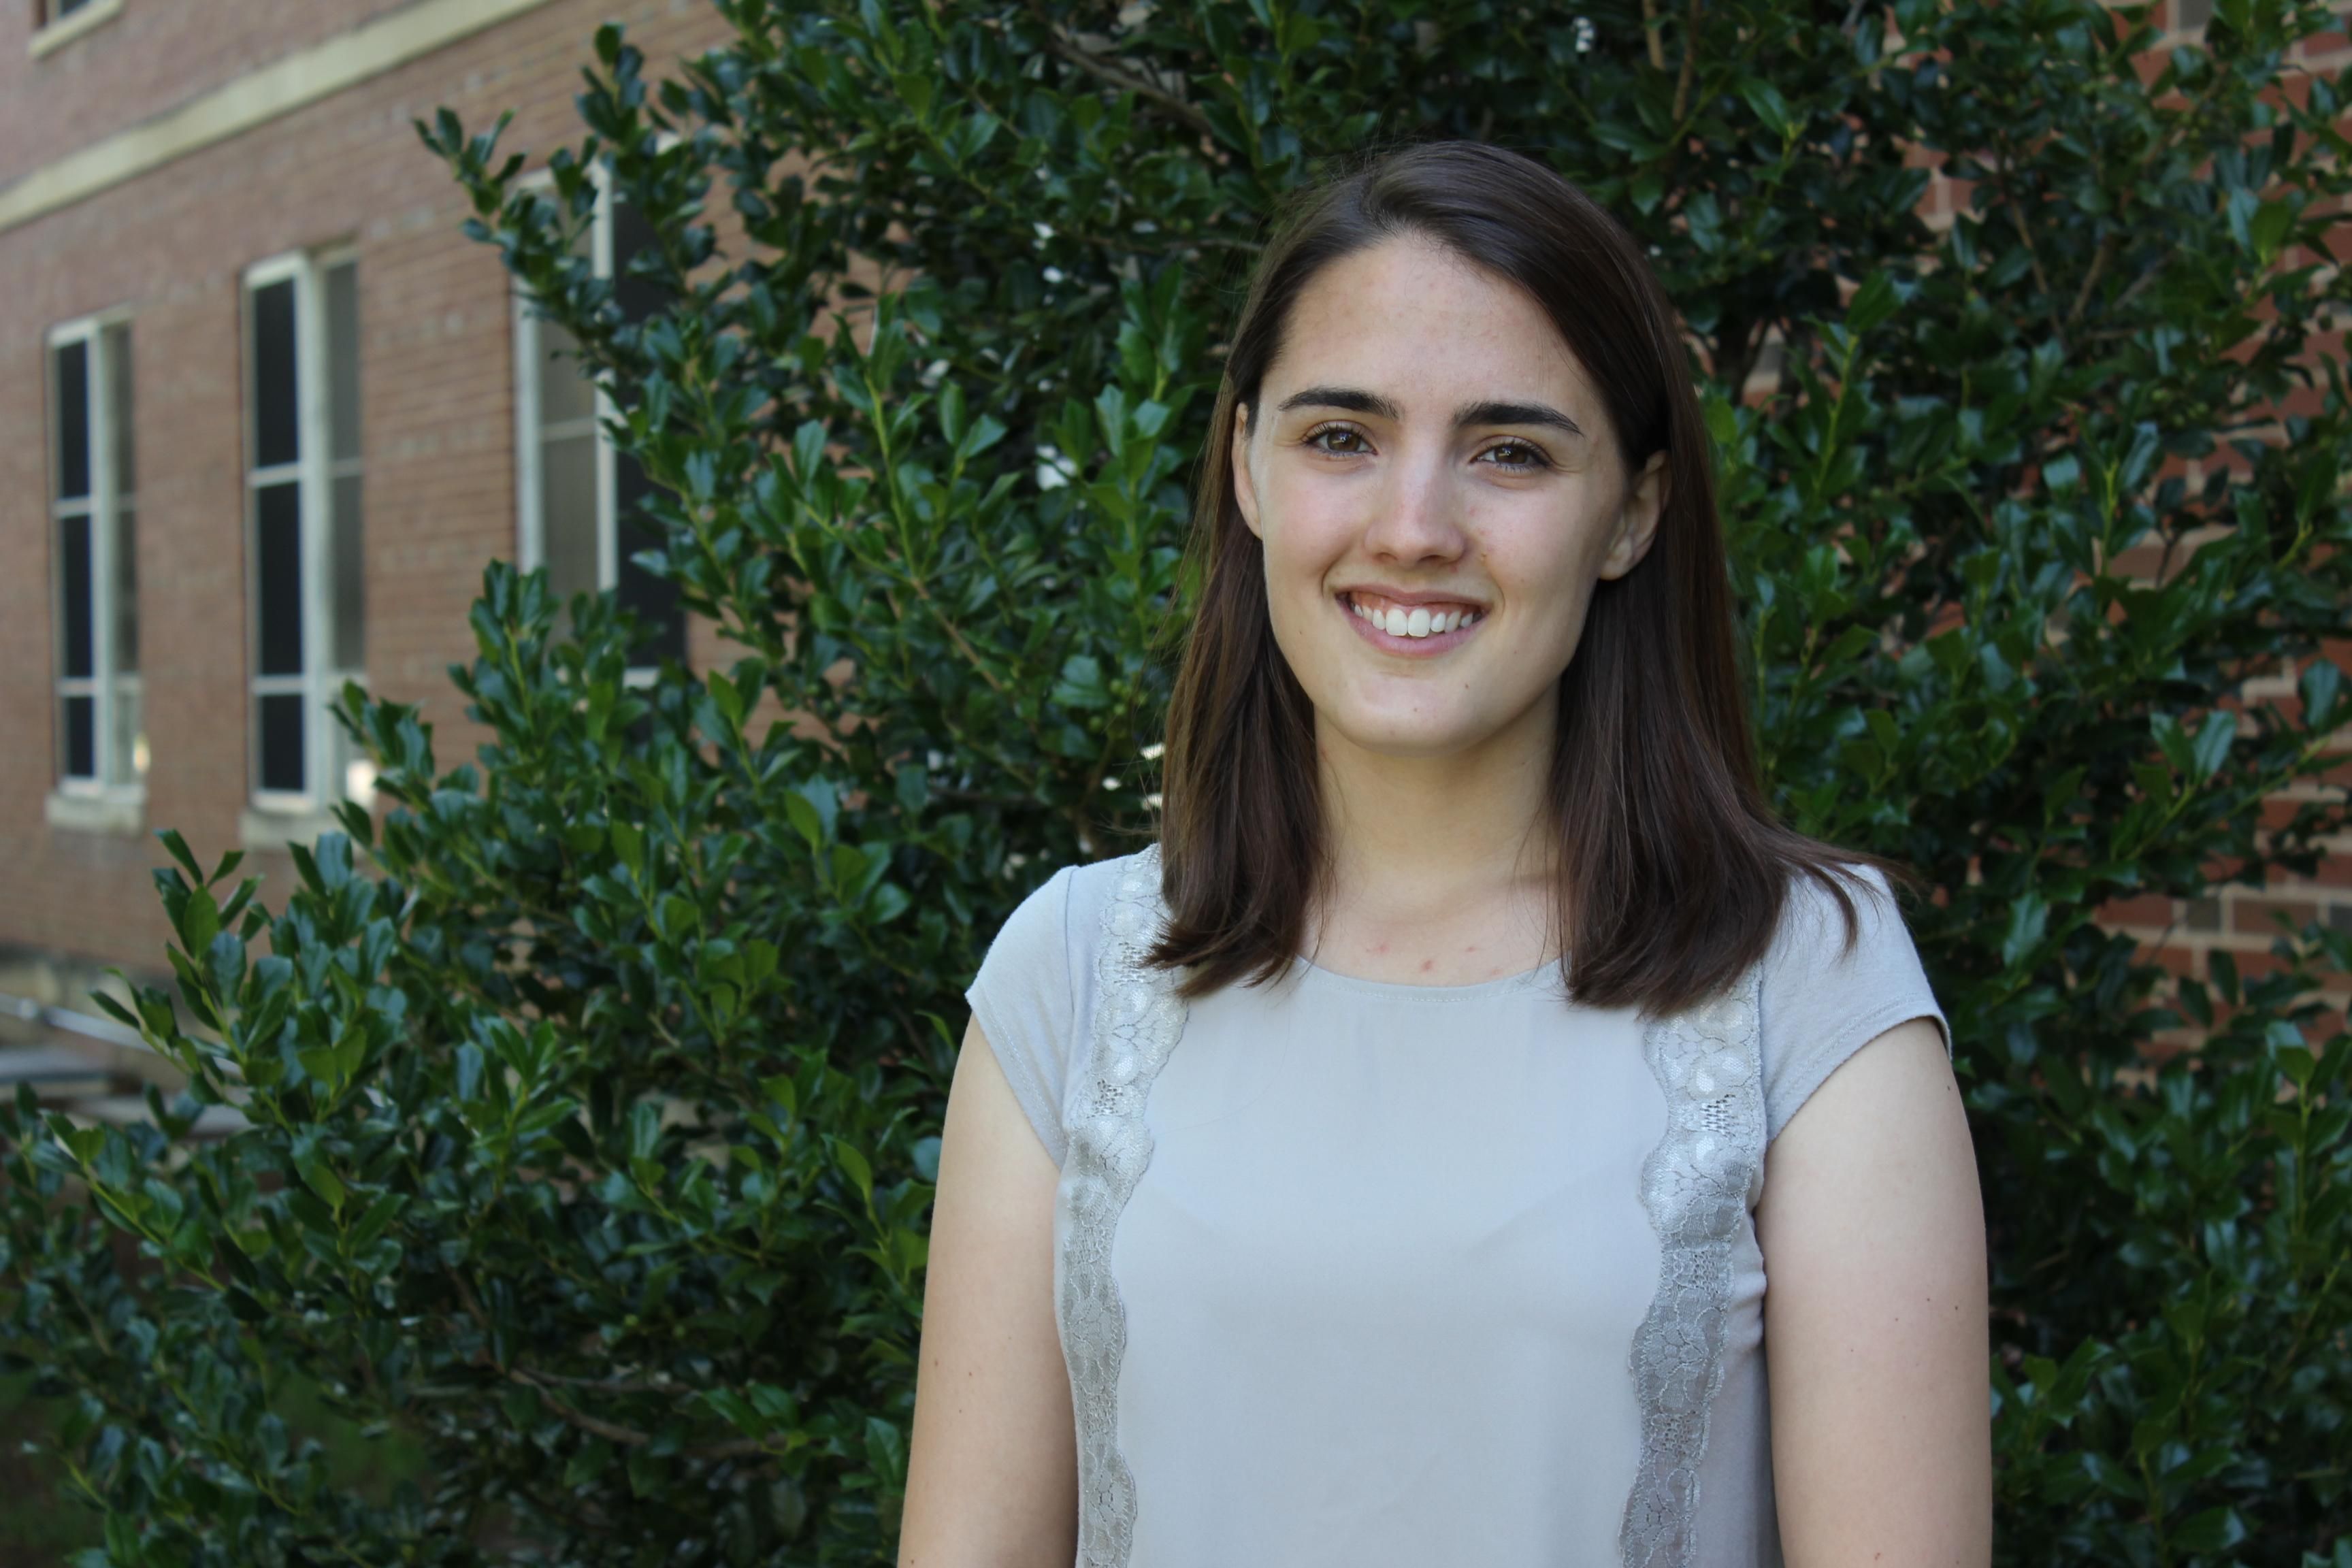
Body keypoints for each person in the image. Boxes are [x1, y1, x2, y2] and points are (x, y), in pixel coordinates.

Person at [898, 141, 1990, 1568]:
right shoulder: (1073, 976)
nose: (1414, 528)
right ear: (1246, 468)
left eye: (1510, 452)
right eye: (1340, 437)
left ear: (1633, 511)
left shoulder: (1805, 983)